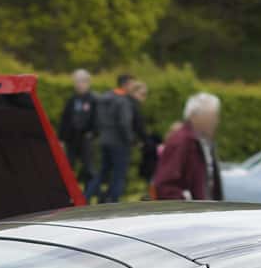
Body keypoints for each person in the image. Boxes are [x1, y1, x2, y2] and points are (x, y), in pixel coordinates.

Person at [152, 92, 223, 201]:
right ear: (195, 116)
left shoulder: (203, 141)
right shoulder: (182, 142)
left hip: (204, 212)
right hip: (190, 214)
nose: (216, 121)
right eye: (212, 116)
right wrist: (188, 206)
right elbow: (165, 186)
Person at [84, 74, 141, 203]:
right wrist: (131, 139)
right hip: (119, 142)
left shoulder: (104, 98)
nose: (133, 87)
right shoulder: (123, 101)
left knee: (103, 172)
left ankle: (85, 197)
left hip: (105, 139)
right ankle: (113, 202)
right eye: (132, 84)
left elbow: (96, 119)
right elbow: (124, 123)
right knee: (119, 174)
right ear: (126, 84)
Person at [57, 68, 99, 184]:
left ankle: (91, 195)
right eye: (76, 82)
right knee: (68, 168)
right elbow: (65, 120)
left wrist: (92, 134)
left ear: (88, 82)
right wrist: (61, 139)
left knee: (89, 169)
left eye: (81, 81)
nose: (78, 85)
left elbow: (98, 120)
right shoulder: (72, 99)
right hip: (72, 139)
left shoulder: (94, 99)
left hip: (86, 139)